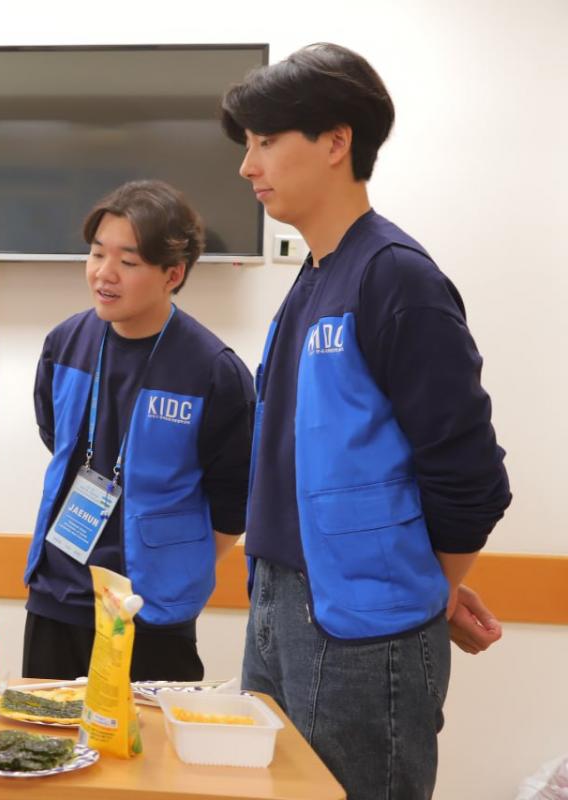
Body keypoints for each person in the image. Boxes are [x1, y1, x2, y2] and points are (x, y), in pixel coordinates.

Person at [221, 43, 510, 798]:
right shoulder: (313, 278)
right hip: (279, 604)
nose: (248, 167)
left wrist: (432, 588)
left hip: (359, 631)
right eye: (247, 145)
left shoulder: (395, 277)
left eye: (266, 141)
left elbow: (471, 475)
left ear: (336, 141)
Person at [23, 180, 254, 681]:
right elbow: (56, 438)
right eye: (96, 254)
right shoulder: (65, 344)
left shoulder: (213, 372)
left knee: (147, 736)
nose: (104, 274)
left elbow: (233, 501)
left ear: (173, 273)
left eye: (127, 262)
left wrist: (174, 563)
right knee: (46, 729)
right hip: (57, 597)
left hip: (150, 612)